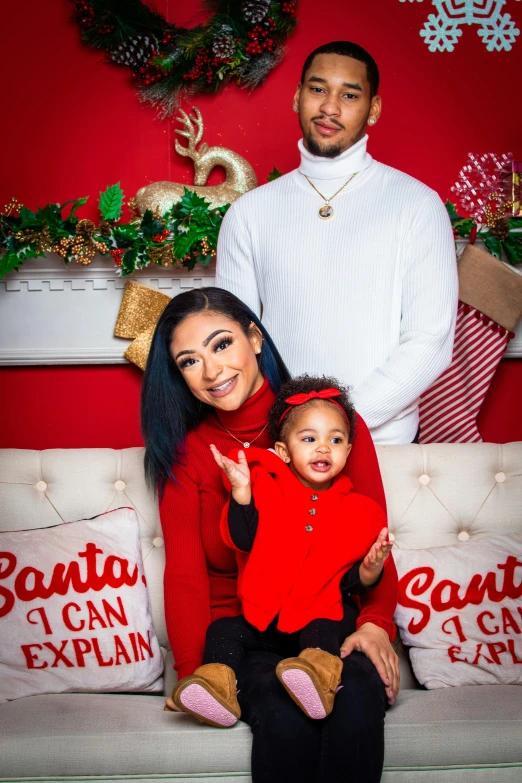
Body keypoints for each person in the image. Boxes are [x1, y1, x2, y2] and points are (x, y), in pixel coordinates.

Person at [142, 286, 398, 783]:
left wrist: (376, 623)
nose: (212, 371)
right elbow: (187, 574)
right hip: (243, 636)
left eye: (221, 345)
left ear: (254, 338)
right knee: (284, 717)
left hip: (324, 621)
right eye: (189, 361)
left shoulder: (331, 424)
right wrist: (197, 669)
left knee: (358, 694)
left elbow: (373, 535)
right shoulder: (188, 454)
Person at [216, 40, 458, 445]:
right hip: (279, 442)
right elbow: (232, 342)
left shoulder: (417, 204)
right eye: (317, 89)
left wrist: (336, 423)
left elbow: (430, 342)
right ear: (297, 97)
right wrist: (293, 429)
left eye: (349, 95)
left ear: (374, 109)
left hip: (381, 442)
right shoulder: (248, 213)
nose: (330, 107)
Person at [171, 376, 393, 727]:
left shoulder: (359, 511)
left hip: (323, 613)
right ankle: (215, 687)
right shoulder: (266, 489)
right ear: (284, 451)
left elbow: (349, 580)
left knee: (326, 626)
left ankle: (317, 678)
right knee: (223, 632)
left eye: (335, 440)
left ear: (349, 451)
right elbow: (244, 540)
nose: (323, 448)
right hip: (269, 620)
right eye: (309, 439)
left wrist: (370, 568)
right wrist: (241, 492)